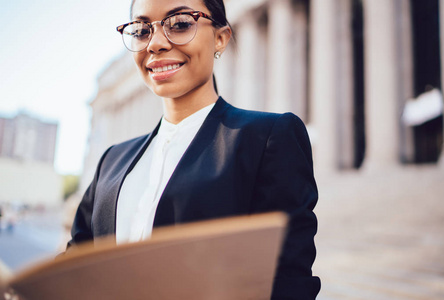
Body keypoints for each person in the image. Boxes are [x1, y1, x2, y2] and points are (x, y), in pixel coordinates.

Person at [67, 0, 320, 298]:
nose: (156, 43)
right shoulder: (112, 161)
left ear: (220, 38)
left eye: (180, 24)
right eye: (141, 30)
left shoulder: (268, 139)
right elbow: (73, 271)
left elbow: (288, 285)